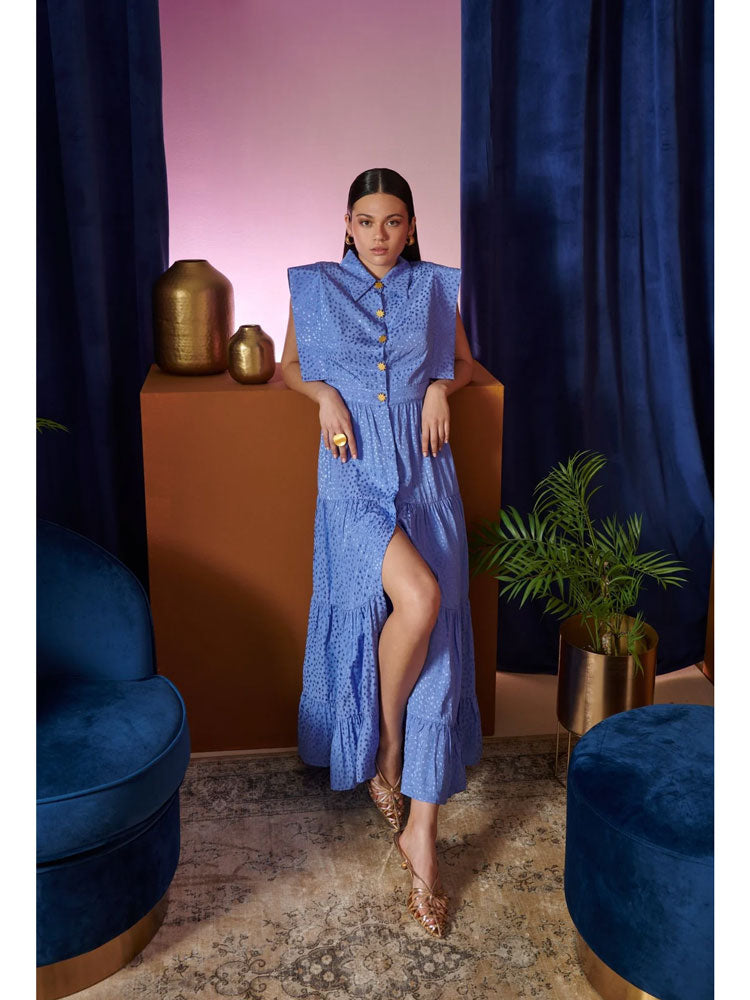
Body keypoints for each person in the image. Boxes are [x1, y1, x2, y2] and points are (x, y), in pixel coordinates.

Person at [281, 167, 482, 938]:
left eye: (393, 221)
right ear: (347, 223)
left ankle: (421, 833)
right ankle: (388, 744)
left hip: (427, 474)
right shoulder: (314, 286)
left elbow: (462, 363)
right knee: (421, 598)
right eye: (366, 221)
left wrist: (439, 388)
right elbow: (290, 367)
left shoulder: (433, 286)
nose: (379, 235)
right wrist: (324, 395)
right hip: (353, 474)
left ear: (411, 226)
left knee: (439, 634)